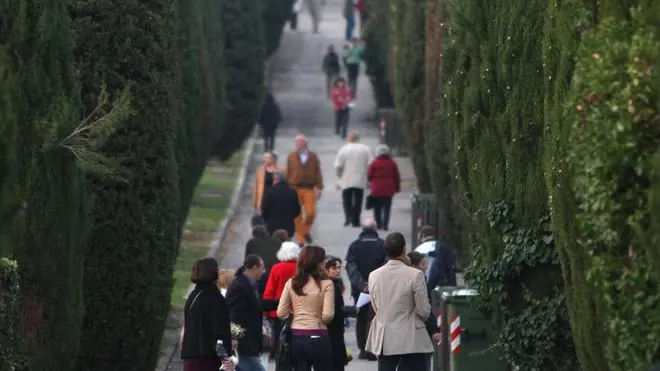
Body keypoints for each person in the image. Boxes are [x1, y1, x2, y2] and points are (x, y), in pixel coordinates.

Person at [366, 232, 434, 371]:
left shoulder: (374, 275)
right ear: (404, 250)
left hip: (385, 336)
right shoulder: (415, 275)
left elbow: (376, 305)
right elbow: (424, 310)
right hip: (411, 337)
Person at [277, 245, 335, 371]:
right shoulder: (327, 284)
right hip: (319, 335)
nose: (325, 263)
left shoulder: (292, 283)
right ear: (317, 263)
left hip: (297, 336)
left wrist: (295, 315)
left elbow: (281, 312)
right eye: (322, 260)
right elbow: (327, 315)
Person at [181, 258, 235, 371]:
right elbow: (220, 332)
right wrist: (225, 358)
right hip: (208, 359)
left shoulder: (193, 296)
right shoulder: (215, 298)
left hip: (190, 357)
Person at [225, 255, 277, 371]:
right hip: (244, 342)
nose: (263, 272)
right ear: (254, 267)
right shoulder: (240, 285)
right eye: (261, 268)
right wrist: (234, 337)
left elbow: (258, 305)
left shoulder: (249, 284)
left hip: (249, 340)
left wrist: (280, 303)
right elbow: (234, 314)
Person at [344, 218, 385, 361]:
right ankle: (373, 347)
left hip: (360, 291)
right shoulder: (382, 245)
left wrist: (362, 285)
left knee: (361, 317)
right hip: (380, 289)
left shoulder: (354, 246)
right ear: (375, 228)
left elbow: (351, 268)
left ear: (363, 229)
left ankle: (362, 348)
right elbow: (387, 266)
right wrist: (376, 284)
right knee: (376, 317)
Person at [263, 241, 301, 360]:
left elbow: (270, 289)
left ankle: (277, 353)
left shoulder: (277, 268)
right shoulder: (300, 269)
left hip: (278, 308)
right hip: (297, 307)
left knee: (278, 333)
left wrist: (266, 308)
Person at [286, 134, 324, 244]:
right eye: (296, 142)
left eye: (300, 142)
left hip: (309, 188)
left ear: (305, 144)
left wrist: (319, 187)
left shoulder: (313, 156)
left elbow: (318, 172)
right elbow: (287, 172)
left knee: (311, 213)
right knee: (297, 215)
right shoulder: (291, 156)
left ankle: (304, 232)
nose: (297, 144)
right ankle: (301, 239)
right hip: (294, 188)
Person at [334, 131, 372, 227]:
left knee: (347, 200)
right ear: (358, 138)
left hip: (346, 179)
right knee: (358, 201)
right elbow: (371, 163)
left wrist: (339, 177)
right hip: (360, 179)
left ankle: (348, 217)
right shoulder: (365, 149)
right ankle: (356, 220)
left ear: (348, 138)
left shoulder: (344, 149)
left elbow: (338, 165)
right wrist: (370, 177)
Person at [367, 145, 401, 231]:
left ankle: (378, 224)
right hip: (389, 188)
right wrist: (397, 187)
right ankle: (385, 225)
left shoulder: (374, 162)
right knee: (387, 207)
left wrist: (371, 181)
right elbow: (396, 176)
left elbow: (369, 175)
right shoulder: (392, 162)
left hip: (376, 188)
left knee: (377, 208)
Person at [325, 256, 349, 371]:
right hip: (330, 332)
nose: (338, 270)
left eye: (339, 267)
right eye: (334, 268)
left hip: (338, 332)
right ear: (326, 269)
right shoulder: (328, 286)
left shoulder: (337, 284)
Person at [261, 172, 301, 239]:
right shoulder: (293, 192)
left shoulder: (269, 192)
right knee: (287, 247)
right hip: (288, 227)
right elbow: (297, 211)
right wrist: (290, 217)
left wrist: (266, 220)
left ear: (276, 180)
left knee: (274, 247)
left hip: (272, 226)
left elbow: (264, 209)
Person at [245, 225, 281, 294]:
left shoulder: (251, 243)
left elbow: (247, 261)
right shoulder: (276, 242)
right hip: (275, 273)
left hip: (259, 274)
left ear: (254, 234)